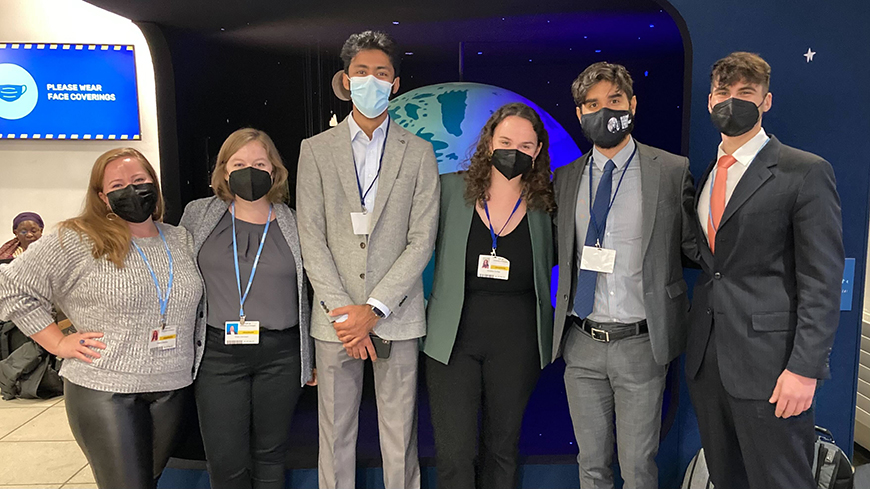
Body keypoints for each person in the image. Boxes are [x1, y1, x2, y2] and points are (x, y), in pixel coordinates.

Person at [0, 148, 204, 489]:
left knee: (149, 481)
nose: (131, 190)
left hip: (172, 387)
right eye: (118, 185)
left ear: (154, 184)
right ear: (101, 196)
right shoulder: (77, 239)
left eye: (139, 180)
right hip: (106, 390)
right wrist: (57, 342)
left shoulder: (180, 238)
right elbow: (10, 287)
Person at [685, 52, 843, 489]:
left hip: (772, 369)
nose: (732, 102)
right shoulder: (707, 174)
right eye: (723, 93)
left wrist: (805, 369)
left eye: (746, 93)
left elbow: (822, 280)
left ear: (766, 101)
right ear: (710, 101)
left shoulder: (804, 171)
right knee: (726, 478)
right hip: (708, 363)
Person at [296, 30, 439, 489]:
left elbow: (422, 240)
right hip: (335, 321)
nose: (371, 80)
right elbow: (311, 237)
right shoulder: (315, 150)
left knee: (400, 435)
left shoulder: (418, 153)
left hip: (395, 315)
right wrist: (346, 315)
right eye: (361, 72)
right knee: (335, 434)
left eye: (381, 73)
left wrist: (373, 309)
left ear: (395, 84)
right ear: (346, 80)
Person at [551, 62, 697, 489]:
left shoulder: (671, 170)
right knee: (591, 465)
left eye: (614, 100)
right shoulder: (565, 178)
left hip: (641, 344)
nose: (604, 111)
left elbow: (694, 245)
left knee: (637, 467)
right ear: (579, 113)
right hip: (582, 344)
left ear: (632, 105)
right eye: (592, 104)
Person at [424, 102, 555, 489]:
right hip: (452, 339)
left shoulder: (548, 202)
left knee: (502, 451)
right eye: (506, 142)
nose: (515, 151)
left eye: (526, 145)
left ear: (538, 151)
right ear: (488, 143)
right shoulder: (449, 189)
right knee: (455, 454)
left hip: (518, 342)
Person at [179, 128, 315, 489]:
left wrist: (313, 356)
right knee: (225, 459)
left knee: (271, 456)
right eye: (238, 164)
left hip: (281, 355)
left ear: (275, 170)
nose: (249, 171)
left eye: (259, 163)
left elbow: (315, 291)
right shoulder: (198, 214)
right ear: (224, 171)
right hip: (217, 354)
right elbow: (176, 277)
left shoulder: (297, 222)